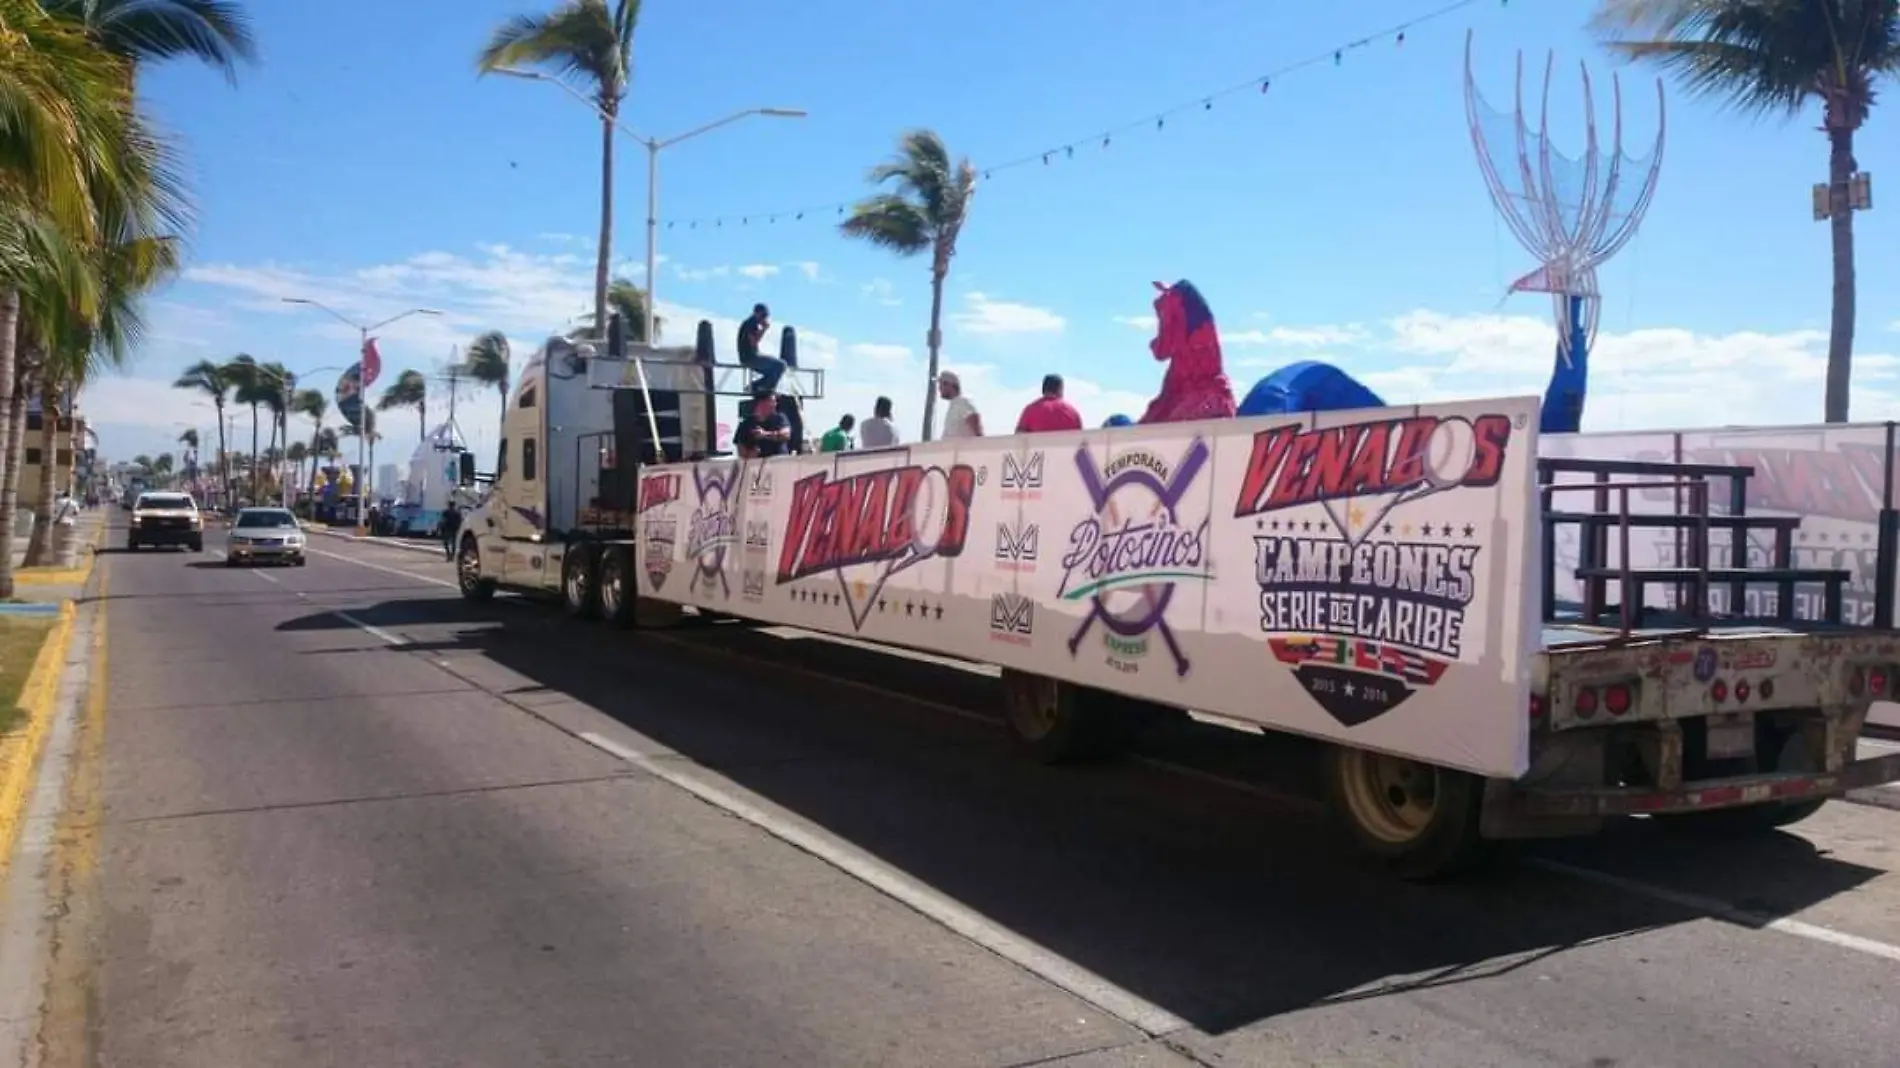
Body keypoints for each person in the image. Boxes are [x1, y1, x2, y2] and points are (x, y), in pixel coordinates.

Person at [736, 303, 785, 397]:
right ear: (756, 313)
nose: (764, 318)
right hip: (750, 358)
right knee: (781, 365)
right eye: (763, 316)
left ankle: (754, 386)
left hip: (750, 357)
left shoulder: (751, 323)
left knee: (773, 372)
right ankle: (767, 388)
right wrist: (764, 329)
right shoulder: (750, 324)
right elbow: (754, 342)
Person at [1015, 374, 1083, 434]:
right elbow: (1081, 440)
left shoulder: (1030, 410)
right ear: (1060, 389)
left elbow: (1018, 439)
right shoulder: (1073, 413)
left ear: (1043, 389)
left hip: (1039, 448)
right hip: (1066, 448)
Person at [735, 394, 793, 458]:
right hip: (756, 464)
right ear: (761, 403)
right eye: (772, 401)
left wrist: (765, 434)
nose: (775, 404)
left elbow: (786, 435)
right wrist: (752, 454)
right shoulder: (745, 424)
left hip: (779, 461)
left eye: (775, 401)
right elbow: (741, 452)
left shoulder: (780, 418)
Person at [936, 371, 983, 440]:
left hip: (962, 450)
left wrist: (981, 445)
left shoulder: (962, 402)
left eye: (941, 385)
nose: (939, 388)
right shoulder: (954, 405)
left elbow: (974, 422)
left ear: (949, 385)